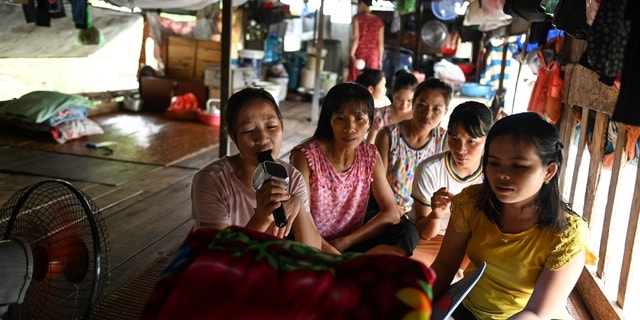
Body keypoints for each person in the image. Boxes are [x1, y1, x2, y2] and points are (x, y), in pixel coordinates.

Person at [430, 112, 588, 319]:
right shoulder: (472, 203)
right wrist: (413, 305)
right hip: (464, 307)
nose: (501, 174)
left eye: (518, 166)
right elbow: (445, 265)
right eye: (494, 163)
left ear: (549, 171)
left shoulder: (566, 235)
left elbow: (536, 312)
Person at [290, 82, 418, 256]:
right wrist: (334, 254)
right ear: (330, 120)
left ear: (370, 122)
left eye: (359, 119)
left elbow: (392, 213)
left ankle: (360, 265)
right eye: (341, 118)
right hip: (310, 240)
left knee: (407, 232)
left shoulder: (369, 155)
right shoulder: (305, 157)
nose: (350, 128)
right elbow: (302, 219)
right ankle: (357, 267)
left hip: (350, 239)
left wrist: (345, 243)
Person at [191, 87, 324, 251]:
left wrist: (298, 204)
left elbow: (312, 252)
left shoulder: (293, 178)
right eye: (248, 131)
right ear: (233, 137)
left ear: (282, 126)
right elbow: (216, 258)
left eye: (271, 126)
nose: (262, 138)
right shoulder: (212, 181)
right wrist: (261, 219)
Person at [410, 101, 493, 274]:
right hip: (434, 240)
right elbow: (425, 234)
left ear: (488, 139)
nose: (461, 150)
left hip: (472, 243)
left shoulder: (493, 173)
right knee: (414, 277)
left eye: (472, 141)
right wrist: (435, 215)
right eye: (454, 139)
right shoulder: (430, 170)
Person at [374, 77, 452, 216]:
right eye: (422, 105)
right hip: (388, 210)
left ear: (445, 112)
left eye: (436, 109)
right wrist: (394, 211)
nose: (428, 114)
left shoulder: (445, 141)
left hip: (427, 213)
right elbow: (378, 184)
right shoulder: (388, 136)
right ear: (413, 103)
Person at [366, 71, 419, 144]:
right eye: (399, 100)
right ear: (392, 92)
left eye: (409, 101)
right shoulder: (380, 115)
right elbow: (370, 143)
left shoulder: (418, 116)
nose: (404, 105)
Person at [348, 0, 384, 82]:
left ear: (362, 3)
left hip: (359, 54)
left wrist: (352, 54)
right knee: (371, 81)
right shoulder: (379, 22)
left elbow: (355, 38)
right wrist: (380, 60)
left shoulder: (357, 18)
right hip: (373, 57)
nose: (358, 6)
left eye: (359, 4)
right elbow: (380, 44)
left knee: (356, 82)